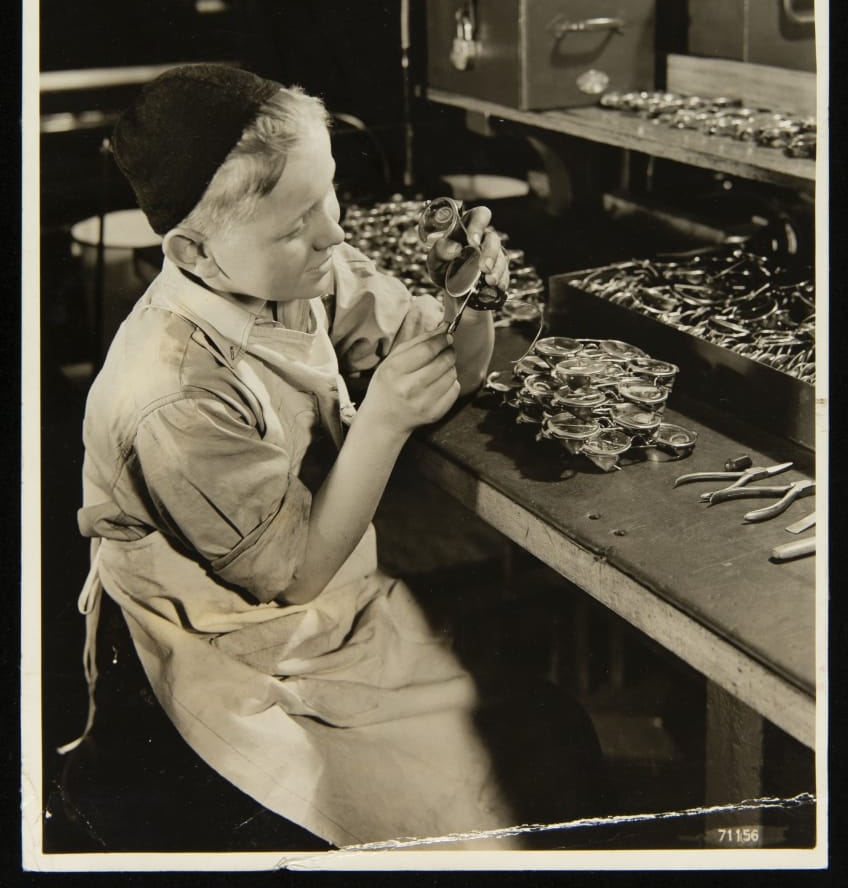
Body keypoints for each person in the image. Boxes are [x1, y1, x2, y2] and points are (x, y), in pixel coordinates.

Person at [74, 64, 605, 850]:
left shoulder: (301, 274)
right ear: (196, 249)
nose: (335, 231)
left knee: (545, 742)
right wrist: (381, 422)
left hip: (319, 610)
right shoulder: (173, 391)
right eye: (296, 223)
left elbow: (450, 369)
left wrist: (470, 298)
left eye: (330, 196)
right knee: (475, 805)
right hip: (213, 642)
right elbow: (291, 573)